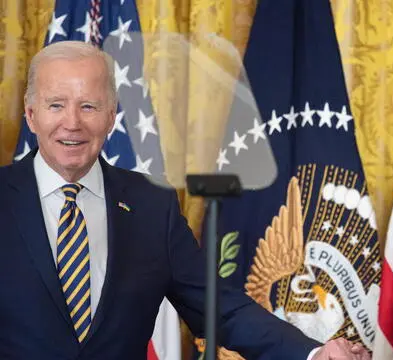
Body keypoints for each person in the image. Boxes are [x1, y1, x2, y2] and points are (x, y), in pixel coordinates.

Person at [0, 40, 370, 360]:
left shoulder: (151, 204)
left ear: (111, 118)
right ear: (31, 116)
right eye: (56, 105)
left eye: (89, 107)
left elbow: (218, 309)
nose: (72, 122)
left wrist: (312, 352)